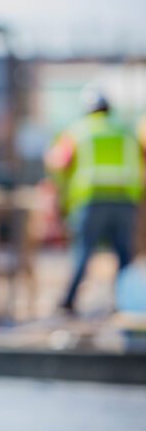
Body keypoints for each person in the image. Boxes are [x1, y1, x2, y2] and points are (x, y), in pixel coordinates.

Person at [46, 87, 145, 314]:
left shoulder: (79, 131)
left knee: (83, 251)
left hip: (91, 201)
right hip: (125, 201)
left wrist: (62, 189)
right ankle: (124, 303)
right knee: (124, 255)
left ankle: (70, 300)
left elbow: (57, 162)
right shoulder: (126, 131)